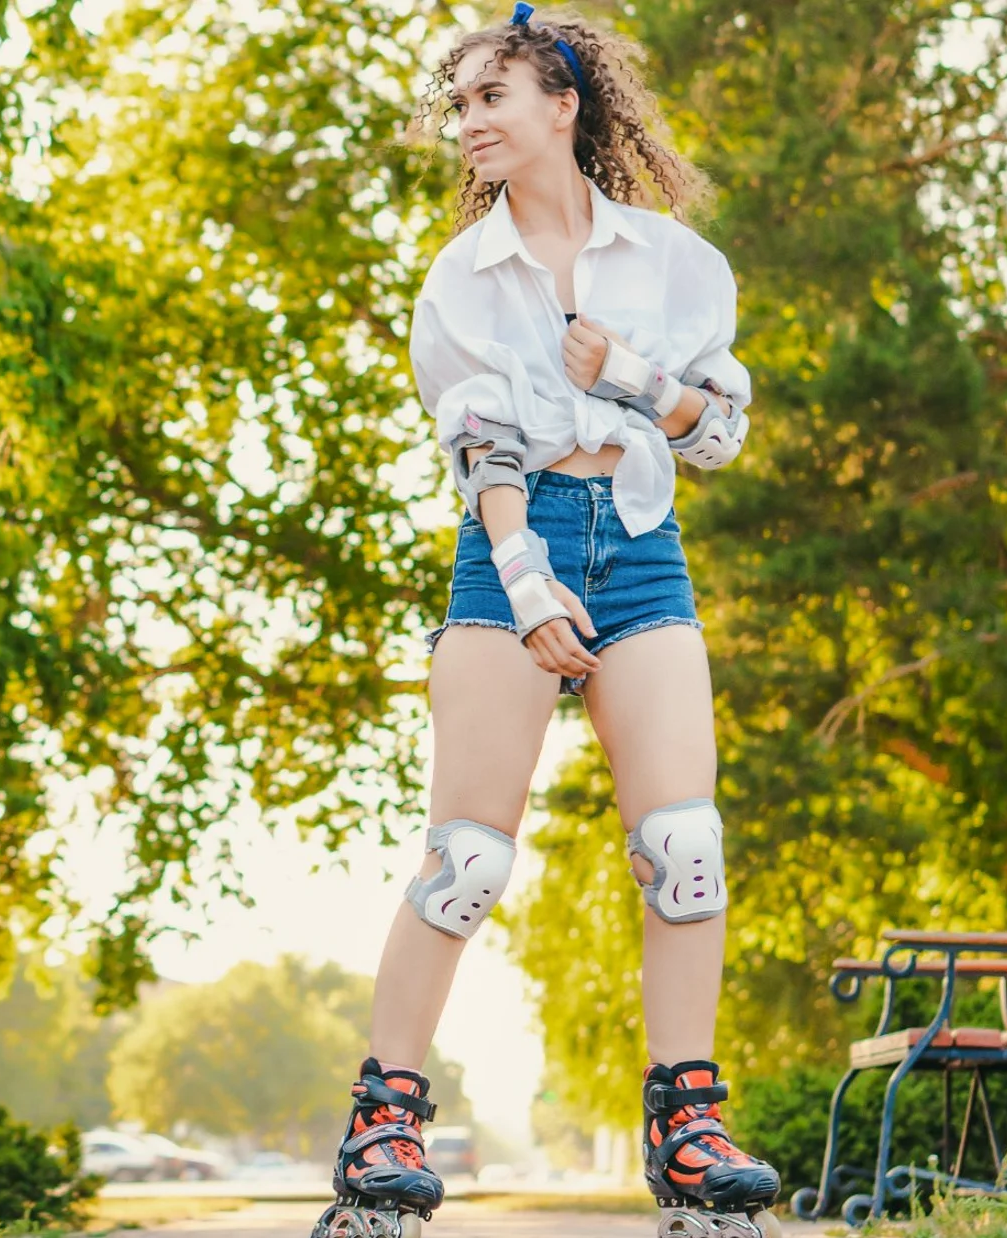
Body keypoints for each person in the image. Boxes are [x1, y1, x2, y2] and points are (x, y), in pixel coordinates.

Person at [319, 6, 778, 1236]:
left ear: (561, 106)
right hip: (507, 549)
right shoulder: (457, 280)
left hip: (638, 550)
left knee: (684, 842)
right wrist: (523, 584)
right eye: (460, 104)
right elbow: (480, 443)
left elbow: (721, 433)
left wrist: (628, 376)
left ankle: (686, 1118)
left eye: (489, 99)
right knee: (466, 857)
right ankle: (387, 1114)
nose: (467, 122)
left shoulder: (676, 263)